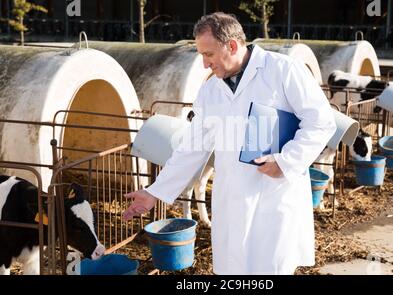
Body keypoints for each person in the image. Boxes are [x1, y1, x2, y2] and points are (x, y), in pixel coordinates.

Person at [123, 12, 336, 275]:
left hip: (274, 196)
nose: (204, 64)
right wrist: (155, 192)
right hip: (231, 200)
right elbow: (192, 148)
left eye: (208, 54)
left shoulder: (282, 70)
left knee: (270, 269)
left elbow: (321, 121)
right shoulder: (211, 91)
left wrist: (286, 161)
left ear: (232, 46)